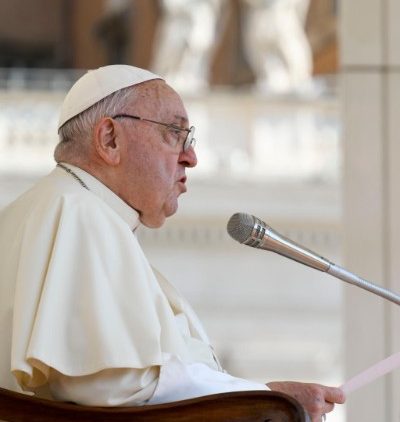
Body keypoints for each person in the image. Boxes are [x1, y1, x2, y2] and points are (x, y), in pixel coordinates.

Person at [0, 64, 344, 421]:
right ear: (109, 140)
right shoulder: (77, 212)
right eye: (174, 133)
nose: (191, 157)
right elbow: (109, 384)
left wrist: (255, 396)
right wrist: (262, 399)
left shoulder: (62, 210)